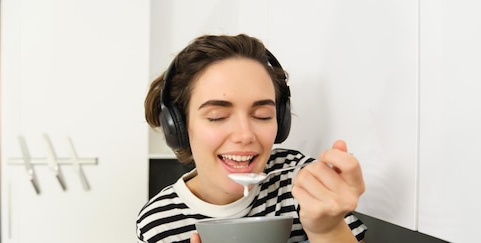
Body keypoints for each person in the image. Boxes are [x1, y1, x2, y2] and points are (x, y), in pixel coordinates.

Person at [137, 33, 367, 243]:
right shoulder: (158, 222)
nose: (245, 135)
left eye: (262, 116)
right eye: (218, 117)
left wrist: (327, 230)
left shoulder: (301, 182)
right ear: (177, 127)